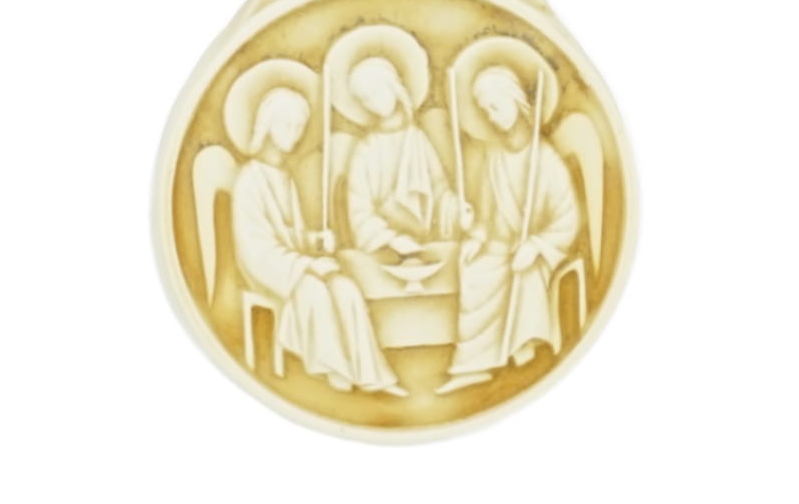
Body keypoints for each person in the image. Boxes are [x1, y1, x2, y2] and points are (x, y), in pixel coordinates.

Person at [231, 85, 405, 396]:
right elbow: (256, 250)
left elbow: (291, 237)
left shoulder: (284, 177)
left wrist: (314, 242)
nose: (295, 134)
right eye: (288, 125)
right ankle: (336, 371)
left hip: (292, 265)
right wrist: (307, 265)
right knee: (313, 290)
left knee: (345, 288)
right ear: (268, 125)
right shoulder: (249, 180)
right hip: (269, 272)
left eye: (299, 126)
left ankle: (373, 375)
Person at [437, 65, 580, 394]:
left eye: (495, 106)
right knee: (474, 268)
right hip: (500, 248)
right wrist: (477, 237)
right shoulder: (495, 157)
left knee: (521, 271)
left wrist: (536, 245)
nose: (491, 116)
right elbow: (488, 214)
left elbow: (567, 219)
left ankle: (522, 353)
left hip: (534, 252)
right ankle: (473, 366)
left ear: (516, 99)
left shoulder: (545, 159)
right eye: (485, 110)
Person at [344, 56, 467, 255]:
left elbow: (439, 189)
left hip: (424, 244)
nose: (373, 102)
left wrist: (457, 210)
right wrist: (392, 240)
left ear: (393, 85)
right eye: (365, 99)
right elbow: (359, 211)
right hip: (384, 249)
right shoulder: (366, 150)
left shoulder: (417, 138)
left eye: (376, 91)